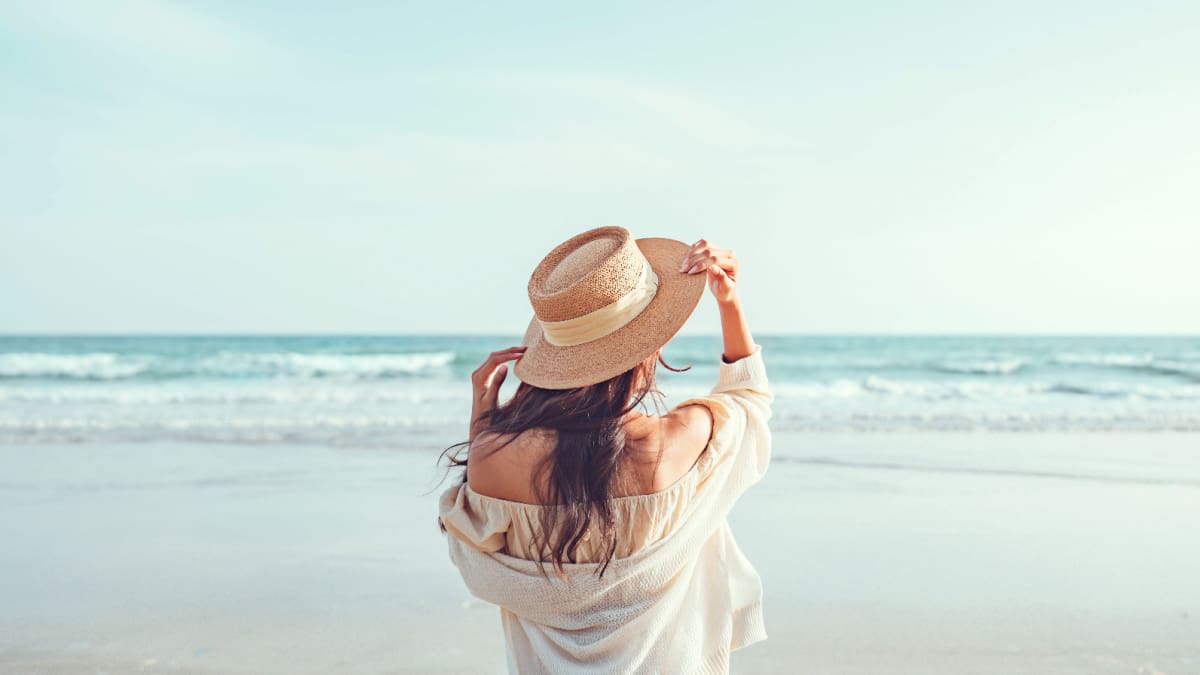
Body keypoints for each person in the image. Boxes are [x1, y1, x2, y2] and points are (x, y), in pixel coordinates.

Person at [437, 226, 773, 674]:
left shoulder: (494, 457)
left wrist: (484, 423)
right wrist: (729, 303)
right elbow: (749, 400)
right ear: (648, 346)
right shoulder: (672, 443)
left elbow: (471, 541)